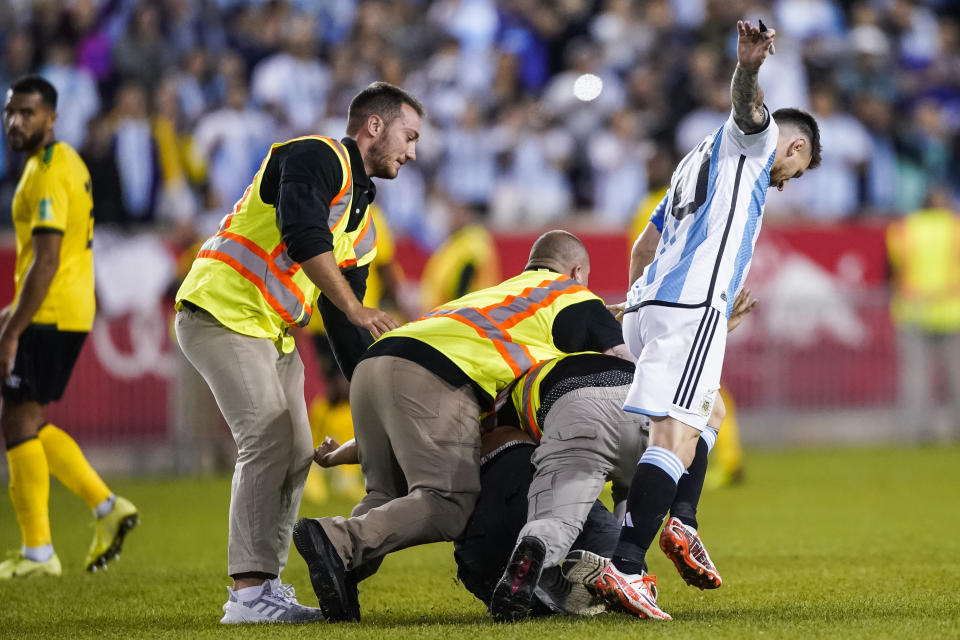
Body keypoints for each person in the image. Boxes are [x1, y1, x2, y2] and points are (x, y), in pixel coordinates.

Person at [174, 81, 423, 624]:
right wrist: (358, 312)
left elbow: (345, 327)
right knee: (267, 439)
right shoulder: (316, 154)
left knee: (294, 451)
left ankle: (263, 590)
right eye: (409, 136)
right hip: (221, 308)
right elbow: (301, 233)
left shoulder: (362, 221)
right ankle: (248, 597)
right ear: (374, 127)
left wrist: (376, 406)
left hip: (269, 330)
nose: (412, 151)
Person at [597, 21, 821, 620]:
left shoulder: (691, 162)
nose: (784, 183)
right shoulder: (755, 143)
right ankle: (625, 564)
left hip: (650, 308)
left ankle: (682, 520)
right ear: (794, 148)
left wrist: (640, 298)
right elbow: (748, 106)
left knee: (710, 412)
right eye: (791, 176)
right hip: (691, 305)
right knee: (677, 432)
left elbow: (646, 245)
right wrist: (748, 66)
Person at [292, 230, 630, 622]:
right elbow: (625, 371)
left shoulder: (500, 298)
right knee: (447, 502)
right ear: (576, 272)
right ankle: (337, 541)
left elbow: (408, 423)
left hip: (379, 362)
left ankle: (342, 571)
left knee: (388, 493)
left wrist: (344, 451)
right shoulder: (574, 295)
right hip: (435, 373)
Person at [489, 288, 756, 622]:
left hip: (570, 415)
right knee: (686, 427)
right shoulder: (621, 351)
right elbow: (677, 355)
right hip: (636, 407)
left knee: (554, 522)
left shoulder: (526, 373)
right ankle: (663, 535)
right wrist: (720, 329)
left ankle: (535, 549)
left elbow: (502, 440)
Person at [0, 76, 138, 580]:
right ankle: (106, 507)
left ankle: (39, 553)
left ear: (52, 118)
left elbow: (47, 258)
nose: (17, 121)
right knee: (27, 421)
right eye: (11, 112)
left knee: (16, 421)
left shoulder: (50, 173)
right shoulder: (59, 163)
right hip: (61, 309)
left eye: (28, 113)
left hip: (51, 310)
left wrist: (14, 329)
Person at [885, 185, 960, 442]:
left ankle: (914, 433)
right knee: (956, 380)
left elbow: (892, 270)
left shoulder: (905, 228)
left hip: (912, 311)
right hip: (952, 312)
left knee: (914, 380)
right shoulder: (956, 227)